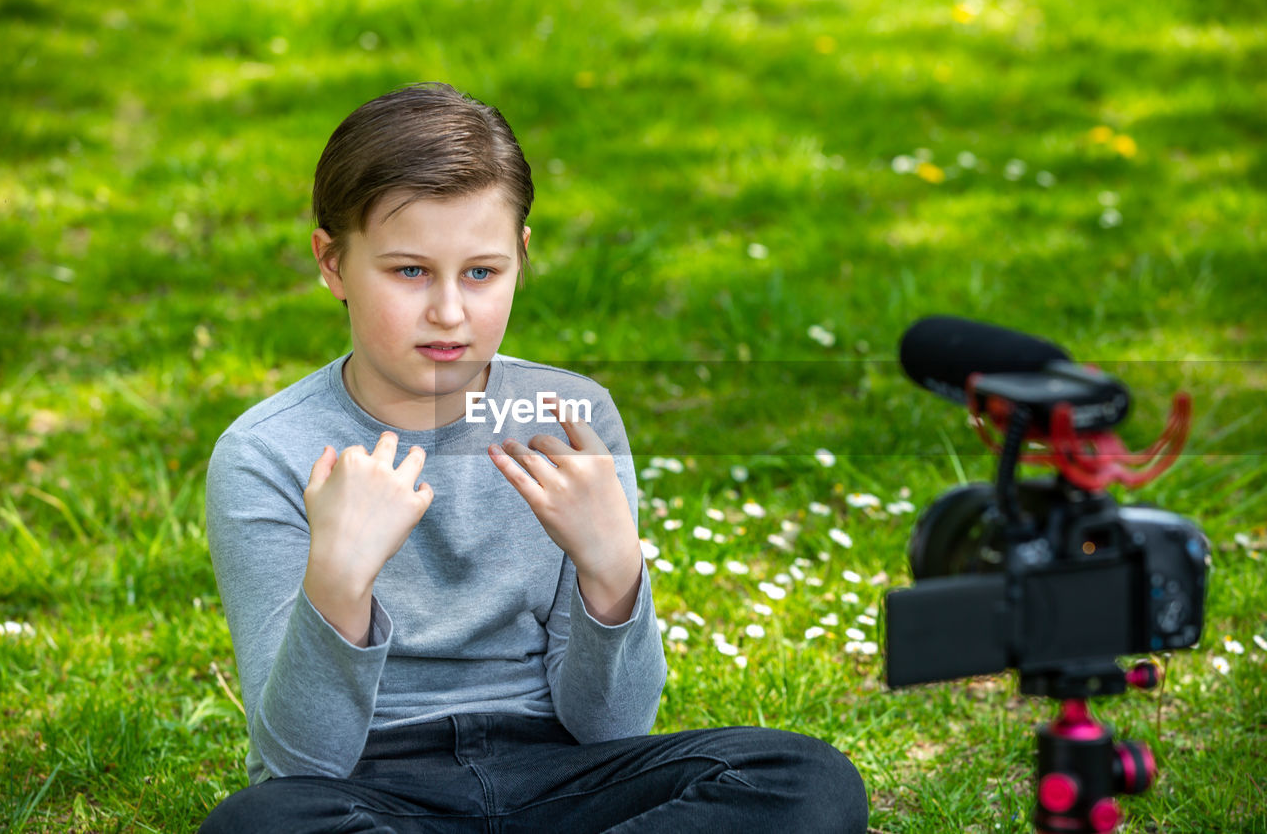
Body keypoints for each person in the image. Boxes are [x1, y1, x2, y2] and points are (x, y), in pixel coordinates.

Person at [200, 82, 867, 833]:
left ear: (520, 256)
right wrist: (338, 582)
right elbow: (299, 763)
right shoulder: (266, 452)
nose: (450, 311)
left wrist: (613, 567)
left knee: (808, 780)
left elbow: (613, 729)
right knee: (256, 825)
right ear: (332, 262)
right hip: (370, 788)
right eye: (409, 271)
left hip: (563, 778)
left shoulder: (569, 420)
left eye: (481, 272)